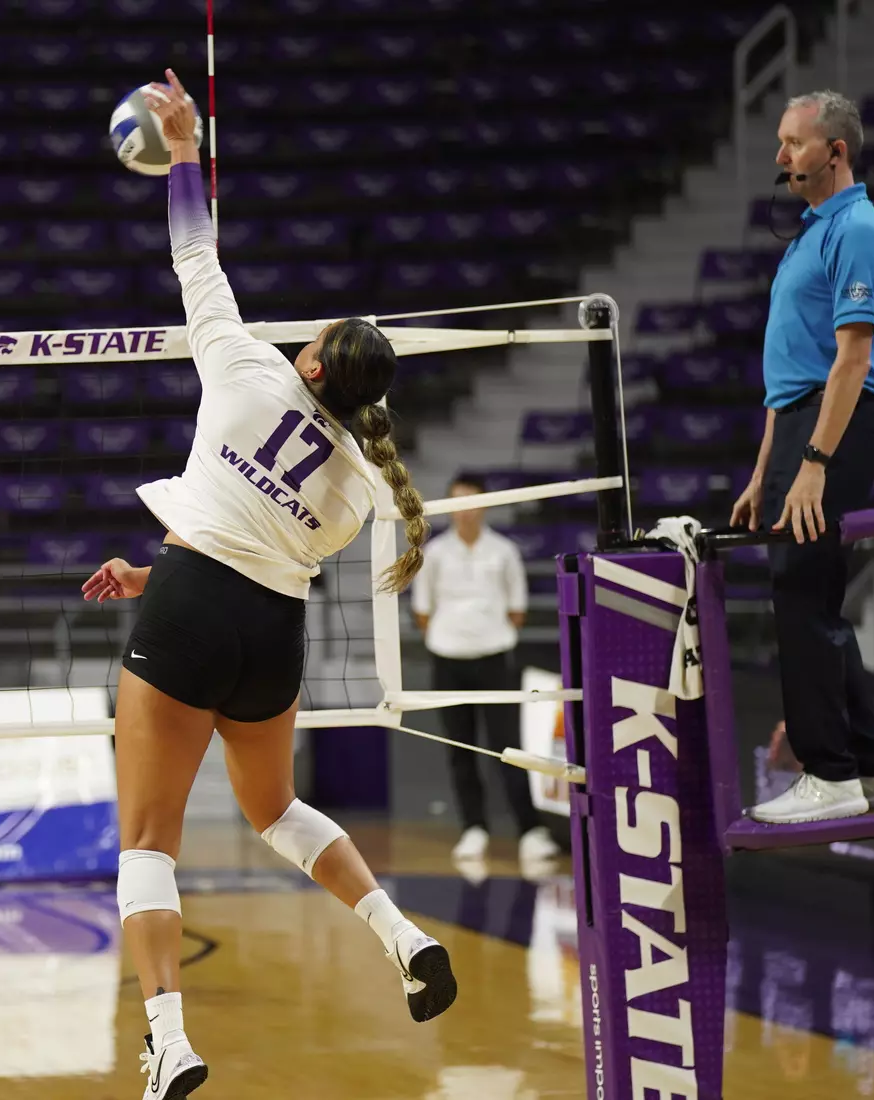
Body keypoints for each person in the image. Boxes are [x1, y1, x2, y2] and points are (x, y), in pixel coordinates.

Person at [77, 70, 454, 1100]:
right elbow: (256, 538)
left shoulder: (245, 367)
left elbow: (191, 248)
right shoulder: (372, 480)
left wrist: (187, 148)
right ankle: (399, 930)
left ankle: (168, 1038)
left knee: (145, 837)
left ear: (318, 364)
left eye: (318, 335)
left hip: (195, 604)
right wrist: (162, 551)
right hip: (269, 633)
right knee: (275, 804)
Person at [732, 91, 874, 825]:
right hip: (803, 424)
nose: (780, 157)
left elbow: (850, 360)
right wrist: (762, 468)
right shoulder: (810, 234)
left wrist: (812, 461)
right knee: (813, 599)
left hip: (836, 425)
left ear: (834, 151)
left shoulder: (860, 229)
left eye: (793, 143)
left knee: (803, 597)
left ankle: (830, 773)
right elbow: (790, 374)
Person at [408, 476, 556, 864]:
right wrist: (452, 638)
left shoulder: (504, 551)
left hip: (494, 659)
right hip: (448, 662)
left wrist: (485, 634)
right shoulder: (434, 553)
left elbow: (517, 610)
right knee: (461, 749)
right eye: (456, 502)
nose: (464, 510)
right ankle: (474, 829)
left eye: (471, 502)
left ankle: (530, 831)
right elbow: (423, 612)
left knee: (508, 748)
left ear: (485, 505)